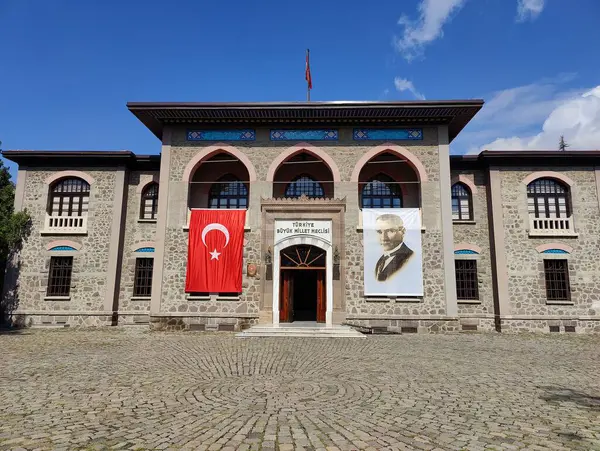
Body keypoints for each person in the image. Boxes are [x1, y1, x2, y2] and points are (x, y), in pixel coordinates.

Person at [374, 214, 413, 282]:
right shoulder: (381, 260)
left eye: (390, 231)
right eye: (379, 232)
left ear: (403, 232)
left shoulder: (410, 258)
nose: (384, 238)